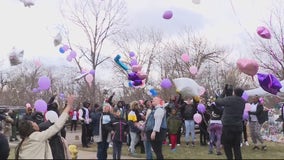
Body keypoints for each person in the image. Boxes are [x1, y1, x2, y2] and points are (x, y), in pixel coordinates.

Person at [15, 95, 74, 159]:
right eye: (33, 123)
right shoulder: (38, 137)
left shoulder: (21, 145)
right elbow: (57, 126)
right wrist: (68, 106)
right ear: (32, 128)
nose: (35, 122)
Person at [215, 86, 245, 160]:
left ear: (234, 93)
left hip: (228, 127)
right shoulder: (243, 101)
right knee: (236, 147)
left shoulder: (230, 99)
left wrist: (223, 92)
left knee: (227, 146)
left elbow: (218, 102)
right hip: (238, 127)